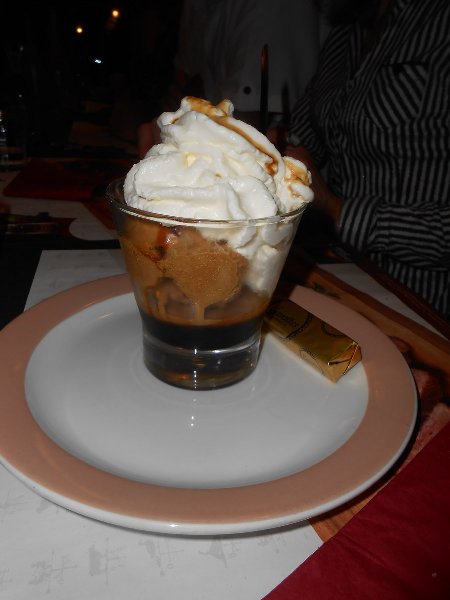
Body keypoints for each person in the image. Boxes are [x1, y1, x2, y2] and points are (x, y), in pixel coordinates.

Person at [285, 0, 450, 318]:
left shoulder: (440, 24)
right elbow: (303, 133)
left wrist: (337, 209)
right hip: (343, 271)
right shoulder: (345, 28)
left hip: (424, 301)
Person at [137, 0, 326, 157]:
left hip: (279, 162)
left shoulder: (269, 8)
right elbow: (182, 83)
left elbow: (244, 128)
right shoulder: (194, 6)